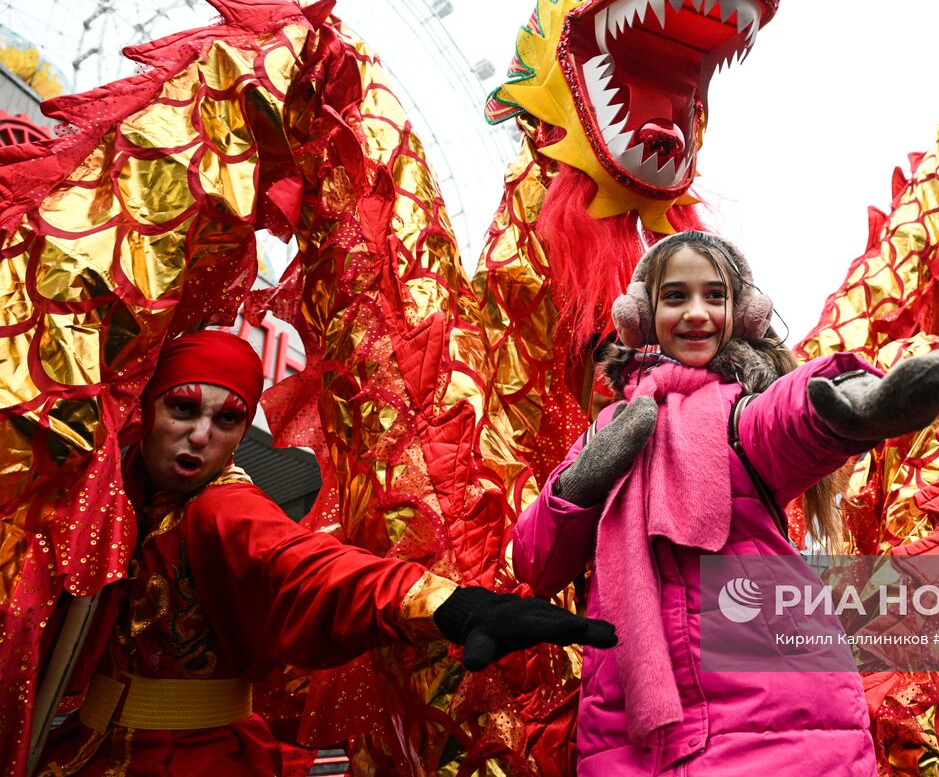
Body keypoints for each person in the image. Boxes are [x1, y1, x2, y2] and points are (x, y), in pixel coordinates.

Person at [38, 329, 616, 776]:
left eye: (227, 419)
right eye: (183, 410)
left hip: (188, 759)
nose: (200, 436)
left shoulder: (222, 509)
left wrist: (457, 606)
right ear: (147, 411)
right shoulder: (106, 489)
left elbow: (314, 572)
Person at [511, 230, 939, 775]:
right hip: (631, 734)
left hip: (776, 718)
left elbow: (787, 418)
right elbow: (535, 563)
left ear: (743, 313)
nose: (696, 313)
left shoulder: (739, 415)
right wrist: (583, 478)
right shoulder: (609, 431)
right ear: (641, 315)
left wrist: (852, 408)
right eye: (676, 296)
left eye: (715, 295)